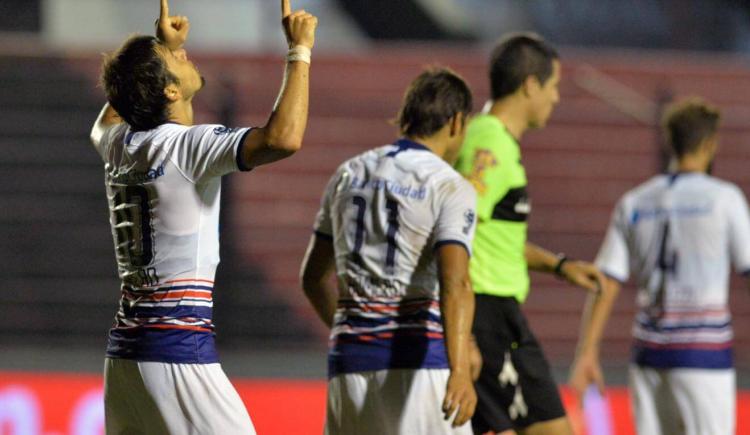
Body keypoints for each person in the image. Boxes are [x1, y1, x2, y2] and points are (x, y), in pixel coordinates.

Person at [89, 0, 317, 433]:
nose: (183, 53)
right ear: (169, 91)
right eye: (174, 58)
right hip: (177, 352)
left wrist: (158, 46)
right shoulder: (186, 146)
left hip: (125, 360)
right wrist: (299, 50)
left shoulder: (118, 145)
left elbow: (107, 118)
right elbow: (283, 139)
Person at [300, 68, 479, 434]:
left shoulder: (348, 173)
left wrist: (357, 330)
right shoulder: (448, 185)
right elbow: (455, 282)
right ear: (457, 122)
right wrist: (460, 370)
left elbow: (313, 278)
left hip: (348, 363)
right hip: (418, 364)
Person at [453, 33, 605, 435]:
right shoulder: (489, 144)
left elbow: (493, 237)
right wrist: (464, 329)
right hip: (486, 314)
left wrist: (559, 265)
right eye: (553, 86)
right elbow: (456, 225)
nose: (555, 98)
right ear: (530, 85)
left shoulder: (495, 141)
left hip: (498, 314)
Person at [569, 98, 749, 435]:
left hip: (649, 355)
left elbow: (605, 280)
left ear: (670, 142)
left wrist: (587, 352)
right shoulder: (724, 199)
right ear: (711, 143)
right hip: (703, 357)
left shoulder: (635, 201)